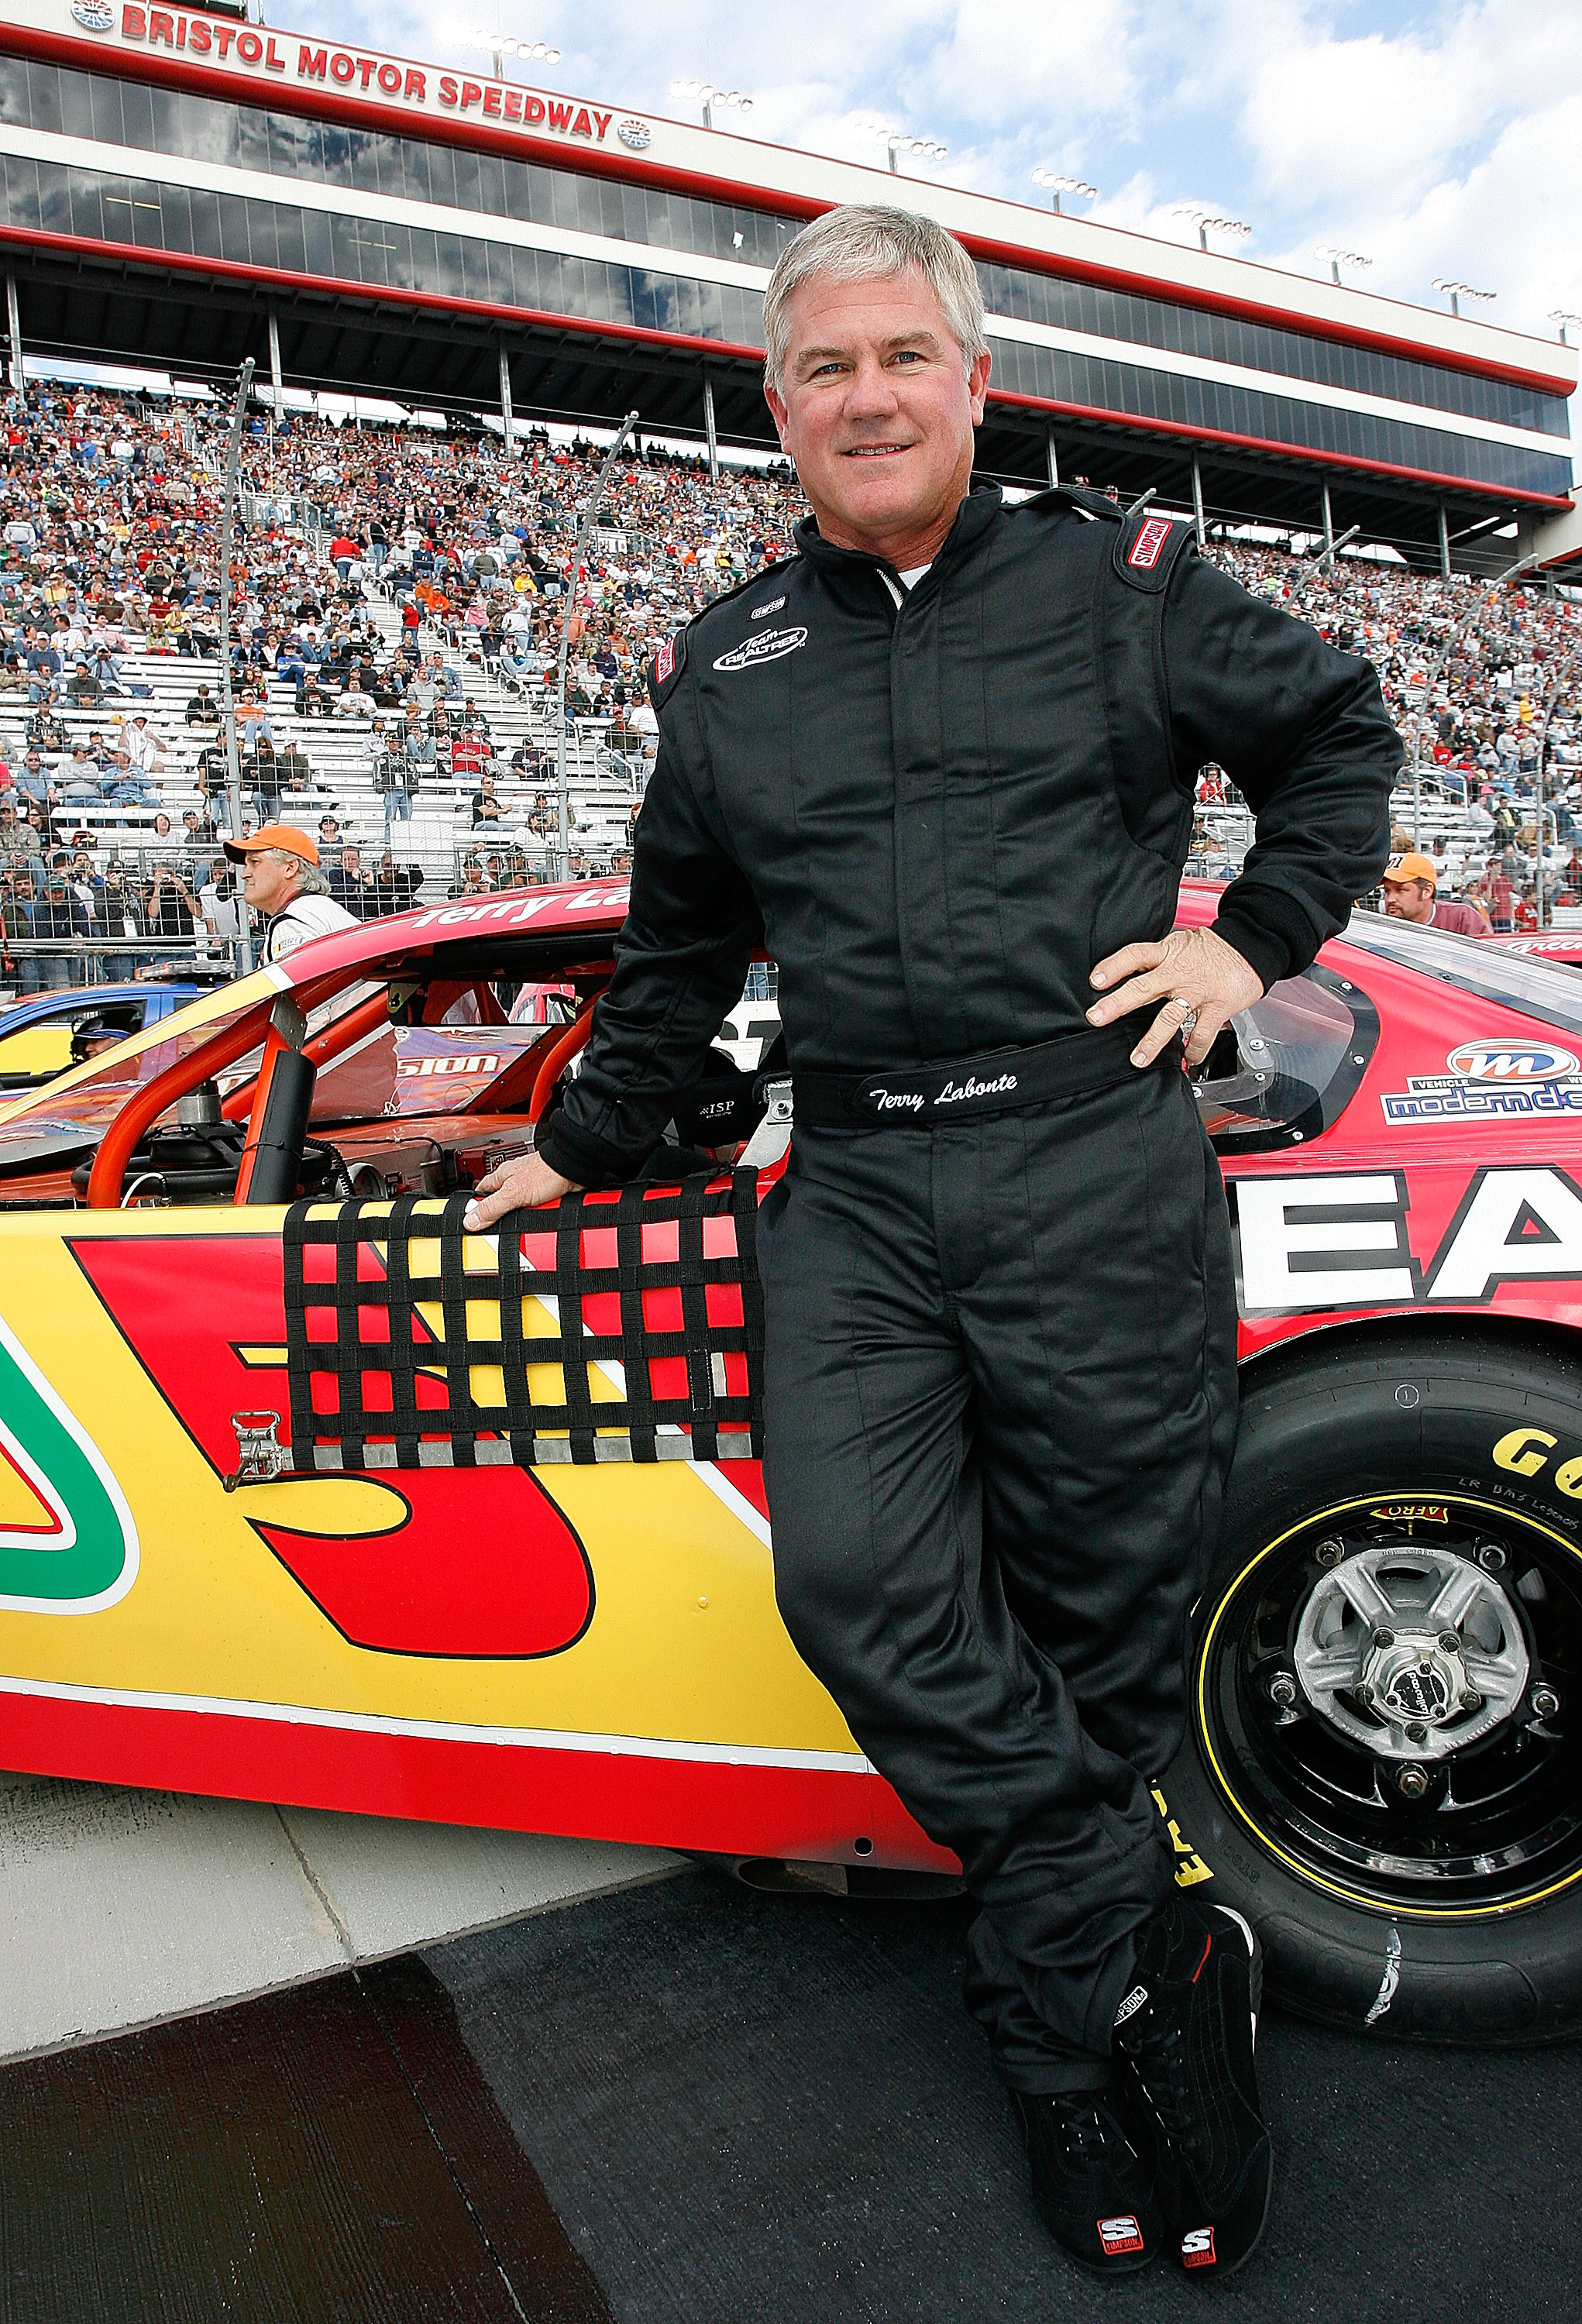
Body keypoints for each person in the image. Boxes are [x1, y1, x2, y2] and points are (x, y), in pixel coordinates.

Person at [463, 206, 1397, 2281]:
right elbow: (680, 954)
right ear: (774, 405)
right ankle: (1145, 1939)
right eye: (825, 369)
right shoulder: (724, 667)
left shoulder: (1125, 580)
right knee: (866, 1586)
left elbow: (1340, 742)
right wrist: (583, 1151)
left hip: (1095, 1168)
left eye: (904, 357)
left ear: (974, 380)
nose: (866, 396)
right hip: (864, 1190)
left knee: (1095, 1634)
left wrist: (1239, 940)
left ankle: (1059, 2033)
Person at [222, 823, 359, 964]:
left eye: (255, 862)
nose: (245, 874)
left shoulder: (293, 921)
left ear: (290, 868)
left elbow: (303, 985)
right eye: (246, 865)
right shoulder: (313, 909)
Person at [1379, 851, 1490, 936]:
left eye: (1400, 890)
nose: (1390, 899)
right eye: (1387, 891)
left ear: (1427, 891)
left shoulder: (1462, 918)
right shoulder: (1381, 927)